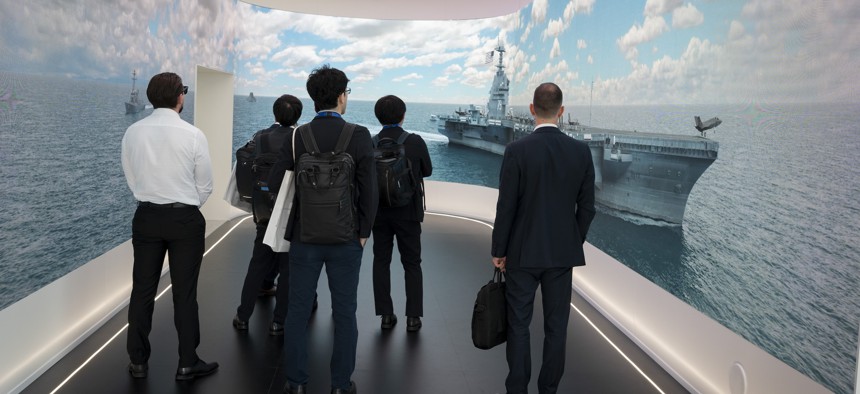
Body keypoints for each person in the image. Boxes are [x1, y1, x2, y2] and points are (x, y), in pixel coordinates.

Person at [268, 65, 377, 394]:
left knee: (298, 311)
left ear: (314, 98)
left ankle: (296, 382)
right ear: (342, 96)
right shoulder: (358, 135)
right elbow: (369, 191)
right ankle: (341, 385)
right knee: (345, 312)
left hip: (305, 236)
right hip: (347, 237)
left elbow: (274, 182)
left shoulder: (297, 136)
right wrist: (363, 232)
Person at [490, 82, 595, 394]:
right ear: (561, 112)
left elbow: (506, 206)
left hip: (521, 253)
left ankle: (517, 388)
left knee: (519, 325)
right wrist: (571, 241)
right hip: (561, 255)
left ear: (532, 109)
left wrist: (499, 249)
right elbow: (587, 208)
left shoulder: (516, 151)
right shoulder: (581, 151)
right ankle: (548, 389)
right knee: (556, 328)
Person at [121, 72, 219, 381]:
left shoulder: (133, 132)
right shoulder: (193, 134)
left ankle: (138, 362)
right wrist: (184, 204)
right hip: (185, 221)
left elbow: (132, 178)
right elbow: (205, 186)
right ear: (179, 97)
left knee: (142, 290)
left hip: (146, 217)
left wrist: (153, 199)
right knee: (185, 294)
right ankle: (187, 362)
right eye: (184, 92)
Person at [233, 94, 309, 336]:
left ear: (275, 114)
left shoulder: (260, 137)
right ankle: (279, 322)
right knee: (288, 268)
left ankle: (243, 316)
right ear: (298, 115)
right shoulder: (301, 139)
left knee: (257, 263)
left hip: (264, 207)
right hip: (291, 210)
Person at [370, 95, 432, 332]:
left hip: (379, 214)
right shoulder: (414, 141)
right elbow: (427, 170)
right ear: (403, 115)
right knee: (412, 264)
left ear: (378, 116)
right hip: (408, 212)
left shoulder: (371, 142)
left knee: (381, 261)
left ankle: (386, 315)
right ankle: (413, 317)